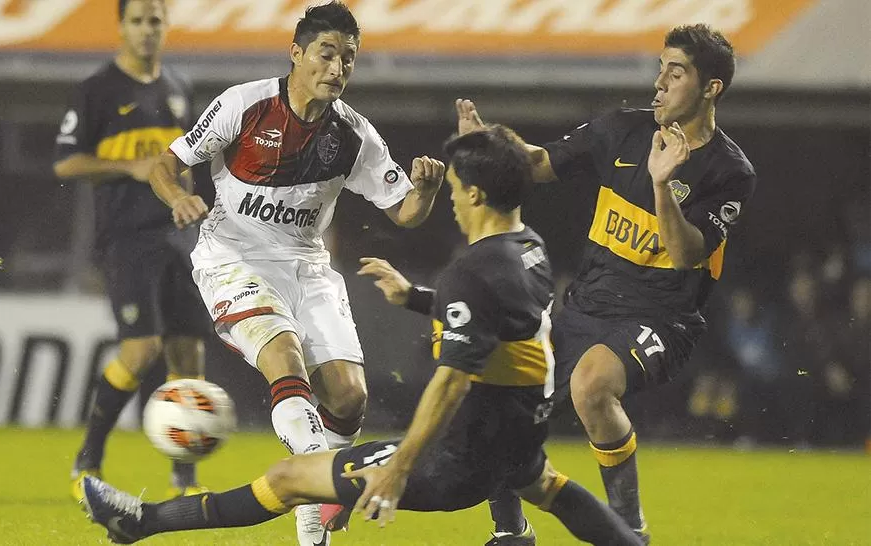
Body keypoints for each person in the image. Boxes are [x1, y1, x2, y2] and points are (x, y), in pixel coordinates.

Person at [80, 126, 643, 546]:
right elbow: (509, 325)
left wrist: (397, 469)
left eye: (454, 186)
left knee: (287, 478)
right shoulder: (530, 248)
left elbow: (450, 385)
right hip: (516, 440)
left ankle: (141, 522)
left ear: (474, 195)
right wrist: (418, 299)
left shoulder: (471, 271)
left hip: (457, 460)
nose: (448, 196)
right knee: (549, 487)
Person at [143, 3, 443, 544]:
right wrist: (177, 197)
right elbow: (165, 165)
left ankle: (314, 496)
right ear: (297, 53)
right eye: (327, 55)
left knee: (351, 398)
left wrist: (425, 191)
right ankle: (317, 483)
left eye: (348, 60)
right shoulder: (244, 105)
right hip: (232, 259)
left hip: (307, 267)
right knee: (285, 357)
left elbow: (404, 212)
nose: (337, 69)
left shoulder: (354, 135)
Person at [457, 24, 757, 543]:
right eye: (661, 67)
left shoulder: (729, 171)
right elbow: (541, 163)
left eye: (677, 71)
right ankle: (512, 533)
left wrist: (663, 182)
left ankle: (629, 529)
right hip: (584, 306)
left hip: (662, 318)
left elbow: (687, 253)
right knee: (489, 374)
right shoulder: (621, 128)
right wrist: (488, 144)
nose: (659, 81)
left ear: (712, 88)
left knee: (592, 385)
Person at [53, 0, 211, 500]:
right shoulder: (97, 90)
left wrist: (189, 190)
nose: (147, 30)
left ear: (167, 26)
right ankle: (89, 457)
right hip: (127, 238)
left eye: (155, 21)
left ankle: (183, 476)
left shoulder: (180, 88)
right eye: (138, 21)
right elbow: (65, 164)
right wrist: (129, 168)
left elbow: (184, 160)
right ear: (121, 27)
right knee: (142, 350)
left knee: (189, 353)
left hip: (179, 237)